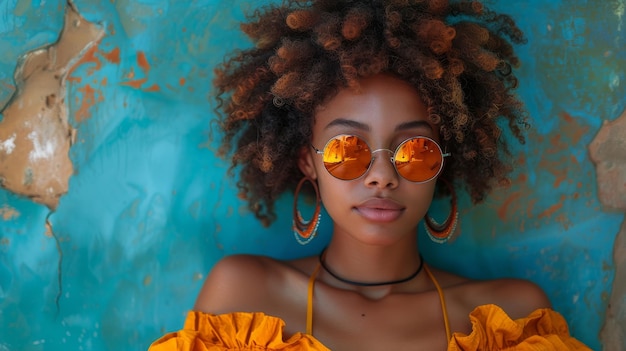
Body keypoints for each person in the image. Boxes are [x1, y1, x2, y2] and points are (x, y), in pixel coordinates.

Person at [150, 0, 591, 349]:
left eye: (415, 149)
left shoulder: (511, 323)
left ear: (443, 163)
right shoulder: (243, 303)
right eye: (348, 148)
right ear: (308, 161)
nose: (382, 176)